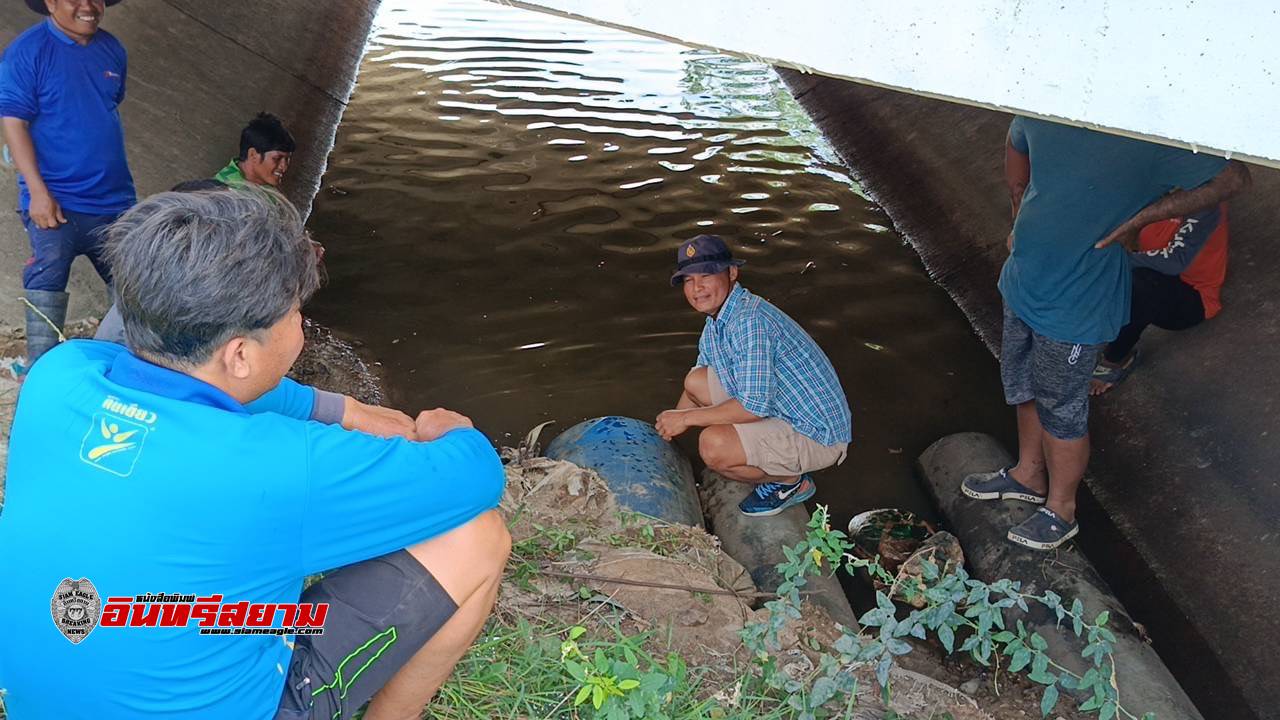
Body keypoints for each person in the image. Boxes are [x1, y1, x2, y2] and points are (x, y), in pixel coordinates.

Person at [0, 189, 510, 719]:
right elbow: (473, 475)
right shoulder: (281, 465)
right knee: (478, 537)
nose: (302, 327)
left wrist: (338, 409)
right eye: (294, 313)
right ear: (240, 354)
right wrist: (450, 428)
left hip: (47, 699)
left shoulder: (58, 376)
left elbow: (177, 378)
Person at [962, 116, 1250, 551]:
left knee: (1062, 407)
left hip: (1078, 302)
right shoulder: (1048, 109)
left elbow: (1233, 178)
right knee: (1023, 385)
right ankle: (1027, 473)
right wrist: (1019, 201)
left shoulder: (1144, 137)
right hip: (1023, 280)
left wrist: (1145, 217)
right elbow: (1016, 138)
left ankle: (1062, 510)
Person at [655, 234, 852, 517]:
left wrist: (685, 419)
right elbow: (699, 382)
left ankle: (790, 483)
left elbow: (753, 406)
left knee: (713, 446)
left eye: (707, 275)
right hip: (781, 408)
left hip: (816, 433)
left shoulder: (750, 322)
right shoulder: (719, 320)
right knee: (695, 380)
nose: (697, 288)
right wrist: (664, 436)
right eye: (688, 280)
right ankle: (763, 453)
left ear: (732, 273)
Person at [0, 0, 134, 369]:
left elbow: (103, 108)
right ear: (50, 2)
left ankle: (124, 363)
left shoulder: (112, 49)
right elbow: (14, 123)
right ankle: (39, 369)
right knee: (48, 271)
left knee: (133, 282)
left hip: (114, 199)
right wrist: (37, 192)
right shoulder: (27, 53)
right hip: (56, 201)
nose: (88, 6)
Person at [1090, 203, 1229, 394]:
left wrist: (1116, 261)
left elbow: (1175, 261)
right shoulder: (1152, 187)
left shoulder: (1207, 202)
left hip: (1193, 297)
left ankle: (1115, 358)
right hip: (1152, 269)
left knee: (1141, 284)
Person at [215, 111, 295, 188]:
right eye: (277, 159)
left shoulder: (264, 187)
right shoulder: (221, 191)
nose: (284, 167)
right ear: (253, 154)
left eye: (287, 159)